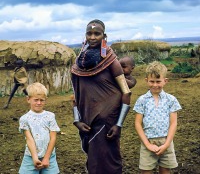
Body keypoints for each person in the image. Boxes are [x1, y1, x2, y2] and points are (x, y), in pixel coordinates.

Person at [71, 19, 132, 174]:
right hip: (87, 122)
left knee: (109, 161)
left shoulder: (112, 62)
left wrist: (118, 125)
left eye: (96, 34)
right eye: (89, 33)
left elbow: (126, 92)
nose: (92, 37)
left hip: (108, 122)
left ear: (104, 36)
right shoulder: (79, 64)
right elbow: (76, 95)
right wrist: (77, 120)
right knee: (93, 162)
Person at [133, 61, 182, 174]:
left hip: (166, 141)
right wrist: (147, 144)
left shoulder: (171, 100)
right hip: (148, 141)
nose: (155, 85)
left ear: (165, 81)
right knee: (146, 171)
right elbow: (137, 123)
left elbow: (173, 123)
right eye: (152, 81)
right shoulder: (142, 100)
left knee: (165, 170)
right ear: (146, 81)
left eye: (158, 81)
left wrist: (166, 144)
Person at [18, 82, 60, 174]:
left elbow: (53, 138)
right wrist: (35, 158)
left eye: (42, 100)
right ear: (28, 99)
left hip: (50, 156)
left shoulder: (50, 116)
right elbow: (29, 140)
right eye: (36, 100)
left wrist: (46, 158)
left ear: (46, 100)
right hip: (30, 157)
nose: (39, 103)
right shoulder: (24, 119)